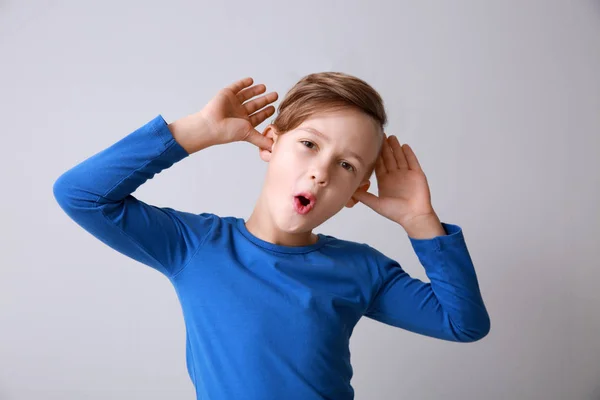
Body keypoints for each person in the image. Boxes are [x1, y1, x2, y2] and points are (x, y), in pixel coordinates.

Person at [53, 72, 490, 400]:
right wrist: (195, 134)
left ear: (355, 193)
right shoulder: (196, 245)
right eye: (310, 144)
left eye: (346, 165)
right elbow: (81, 195)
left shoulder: (362, 269)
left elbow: (463, 324)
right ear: (270, 144)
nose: (321, 172)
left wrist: (420, 222)